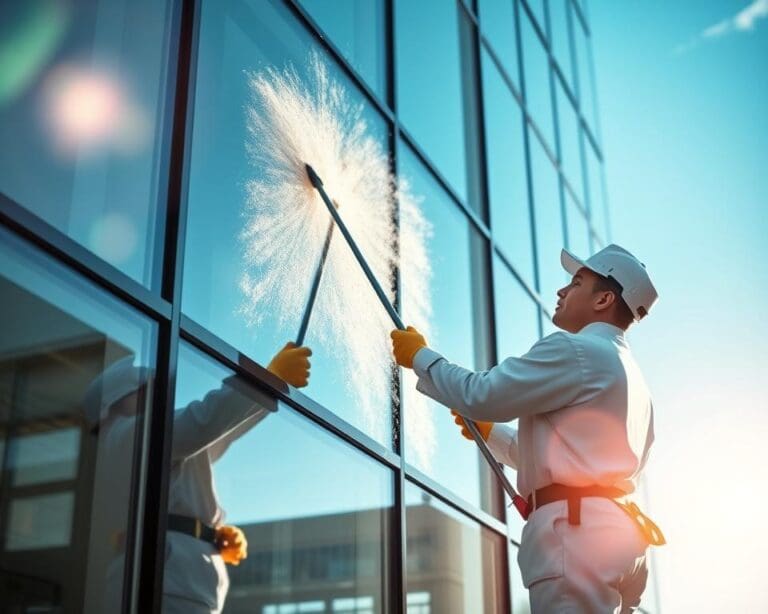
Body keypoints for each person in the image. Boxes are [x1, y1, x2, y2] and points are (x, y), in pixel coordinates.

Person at [391, 244, 664, 613]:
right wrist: (492, 433)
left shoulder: (576, 349)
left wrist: (420, 357)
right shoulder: (632, 375)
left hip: (577, 534)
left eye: (576, 282)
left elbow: (480, 394)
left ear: (603, 300)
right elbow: (575, 460)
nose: (562, 291)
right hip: (620, 536)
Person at [85, 341, 312, 614]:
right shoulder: (125, 434)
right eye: (143, 389)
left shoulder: (139, 442)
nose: (153, 394)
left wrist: (208, 533)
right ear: (115, 402)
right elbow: (204, 423)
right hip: (172, 573)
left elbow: (218, 431)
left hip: (176, 572)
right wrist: (267, 379)